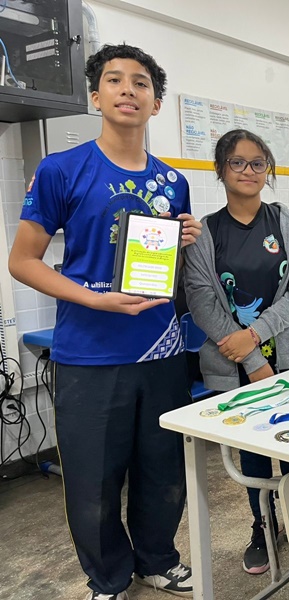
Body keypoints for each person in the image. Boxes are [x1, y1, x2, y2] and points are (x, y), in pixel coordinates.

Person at [8, 44, 201, 600]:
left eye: (141, 83)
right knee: (93, 480)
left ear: (155, 103)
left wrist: (184, 244)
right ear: (95, 96)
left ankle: (157, 559)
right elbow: (22, 262)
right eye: (113, 81)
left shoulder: (172, 182)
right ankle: (108, 577)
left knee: (161, 471)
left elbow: (168, 272)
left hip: (160, 349)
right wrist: (93, 301)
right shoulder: (61, 170)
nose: (127, 90)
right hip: (89, 354)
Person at [183, 129, 289, 575]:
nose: (248, 171)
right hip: (232, 363)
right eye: (237, 162)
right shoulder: (205, 233)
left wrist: (256, 335)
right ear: (220, 169)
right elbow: (201, 299)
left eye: (258, 162)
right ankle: (263, 526)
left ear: (269, 170)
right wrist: (253, 360)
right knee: (254, 449)